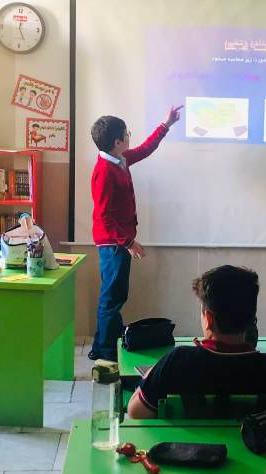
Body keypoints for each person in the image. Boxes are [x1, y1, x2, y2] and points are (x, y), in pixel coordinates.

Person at [127, 265, 266, 419]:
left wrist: (153, 372)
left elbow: (135, 412)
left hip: (187, 445)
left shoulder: (177, 362)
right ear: (251, 318)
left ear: (208, 319)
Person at [87, 106, 183, 361]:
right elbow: (105, 216)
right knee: (112, 298)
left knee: (114, 296)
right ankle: (106, 353)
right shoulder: (104, 171)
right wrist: (128, 242)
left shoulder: (119, 159)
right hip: (112, 243)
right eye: (126, 134)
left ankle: (101, 346)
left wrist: (166, 125)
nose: (129, 137)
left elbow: (145, 149)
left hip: (117, 241)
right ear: (117, 142)